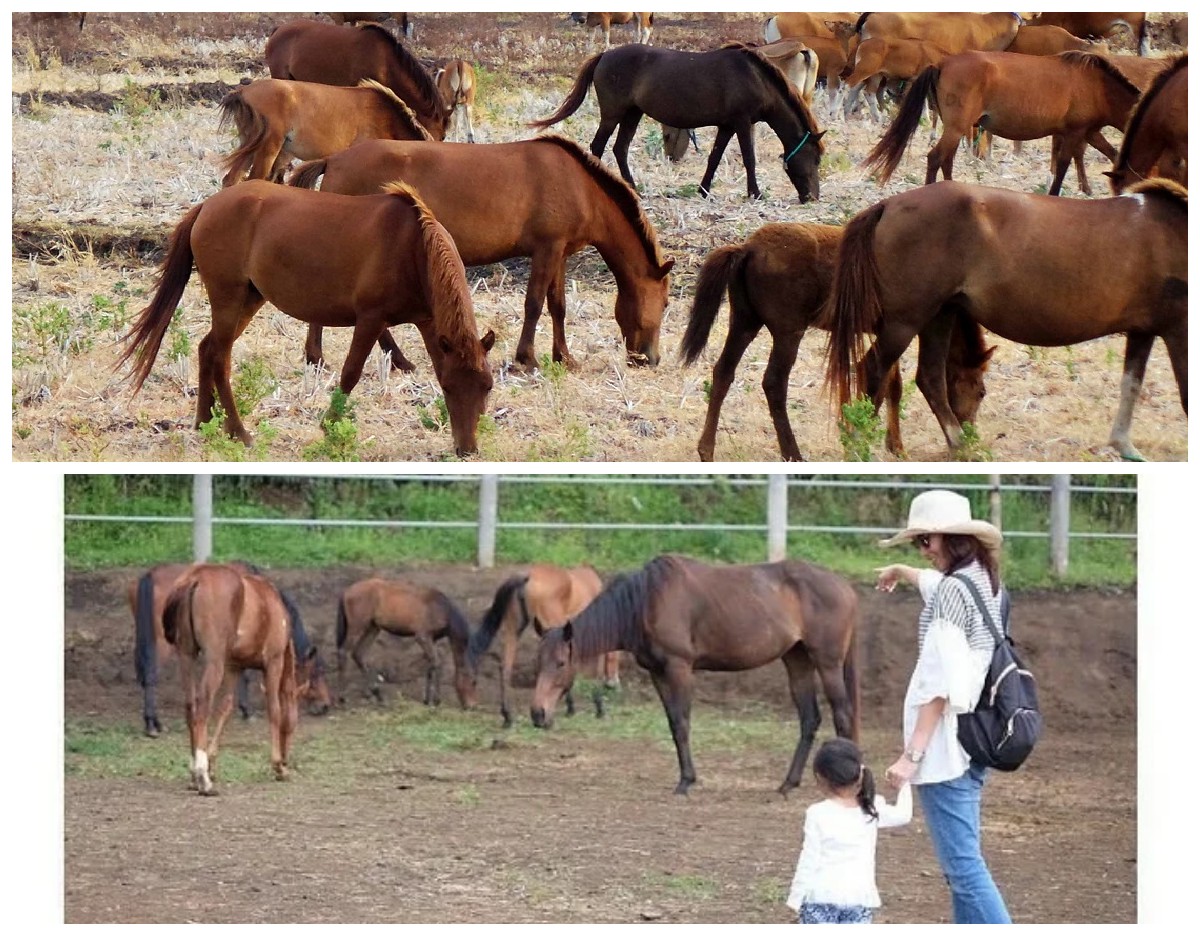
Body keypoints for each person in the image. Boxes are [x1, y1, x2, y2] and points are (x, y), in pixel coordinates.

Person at [874, 489, 1012, 924]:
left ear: (950, 538)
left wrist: (910, 756)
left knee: (964, 870)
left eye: (925, 541)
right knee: (962, 870)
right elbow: (939, 585)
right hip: (974, 739)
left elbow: (939, 685)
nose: (924, 550)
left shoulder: (954, 591)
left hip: (946, 744)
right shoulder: (984, 581)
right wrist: (903, 570)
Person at [786, 738, 912, 924]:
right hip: (860, 897)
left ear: (820, 778)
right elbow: (903, 815)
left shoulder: (817, 813)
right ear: (859, 773)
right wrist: (904, 784)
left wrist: (796, 897)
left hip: (820, 897)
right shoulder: (871, 808)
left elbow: (809, 858)